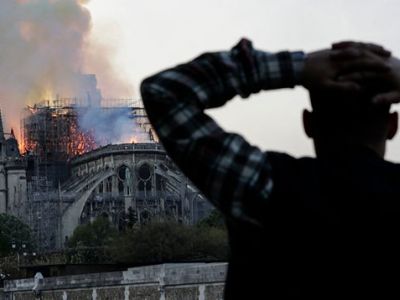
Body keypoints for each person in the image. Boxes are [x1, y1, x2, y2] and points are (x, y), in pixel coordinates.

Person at [140, 39, 400, 297]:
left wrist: (297, 67)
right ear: (392, 125)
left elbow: (164, 92)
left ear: (308, 123)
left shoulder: (264, 185)